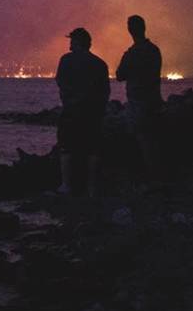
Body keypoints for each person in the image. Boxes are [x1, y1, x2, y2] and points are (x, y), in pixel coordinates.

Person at [55, 26, 109, 196]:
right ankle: (92, 187)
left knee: (66, 147)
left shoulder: (66, 60)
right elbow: (105, 91)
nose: (70, 46)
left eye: (72, 42)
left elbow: (61, 82)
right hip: (93, 113)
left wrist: (70, 100)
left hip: (71, 111)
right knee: (93, 149)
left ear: (77, 42)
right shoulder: (100, 64)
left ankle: (67, 185)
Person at [116, 14, 163, 175]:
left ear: (130, 30)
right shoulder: (154, 50)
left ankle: (148, 177)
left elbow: (120, 75)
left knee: (141, 140)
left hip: (138, 103)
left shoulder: (132, 53)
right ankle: (157, 175)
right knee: (153, 140)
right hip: (155, 100)